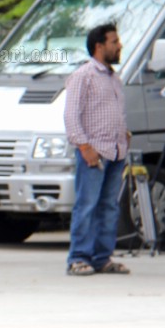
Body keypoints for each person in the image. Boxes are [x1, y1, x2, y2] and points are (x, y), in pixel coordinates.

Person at [64, 23, 130, 276]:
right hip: (94, 153)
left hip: (115, 151)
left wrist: (124, 135)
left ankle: (102, 257)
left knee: (109, 206)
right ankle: (78, 257)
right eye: (114, 41)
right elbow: (71, 115)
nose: (119, 45)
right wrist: (83, 145)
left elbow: (114, 112)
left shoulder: (114, 78)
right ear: (99, 46)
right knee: (87, 205)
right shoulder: (84, 75)